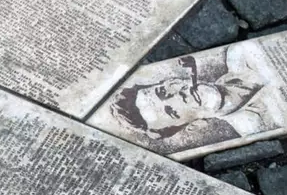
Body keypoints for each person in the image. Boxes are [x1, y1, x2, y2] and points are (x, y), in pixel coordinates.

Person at [107, 42, 274, 154]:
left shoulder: (239, 53)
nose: (180, 96)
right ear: (195, 125)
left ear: (174, 81)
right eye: (173, 112)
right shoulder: (258, 126)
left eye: (164, 91)